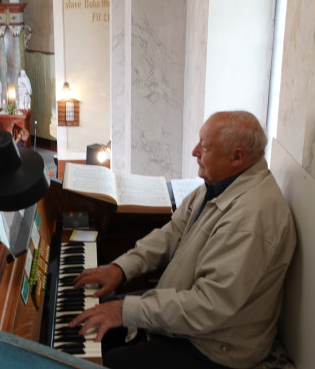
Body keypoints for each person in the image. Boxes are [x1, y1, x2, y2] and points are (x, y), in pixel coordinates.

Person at [69, 111, 296, 369]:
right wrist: (120, 269)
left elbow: (208, 307)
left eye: (205, 148)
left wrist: (124, 311)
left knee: (108, 361)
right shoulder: (222, 183)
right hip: (189, 313)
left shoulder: (250, 219)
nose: (194, 151)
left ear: (237, 157)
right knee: (86, 321)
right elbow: (173, 232)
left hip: (216, 345)